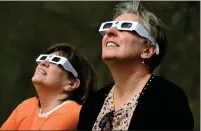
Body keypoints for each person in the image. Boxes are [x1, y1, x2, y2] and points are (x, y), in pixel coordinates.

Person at [77, 1, 194, 130]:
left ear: (148, 50)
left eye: (125, 27)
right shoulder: (92, 105)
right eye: (108, 27)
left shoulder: (168, 99)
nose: (110, 32)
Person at [0, 43, 97, 130]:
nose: (44, 63)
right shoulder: (26, 106)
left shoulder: (74, 113)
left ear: (71, 84)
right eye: (43, 58)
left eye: (56, 61)